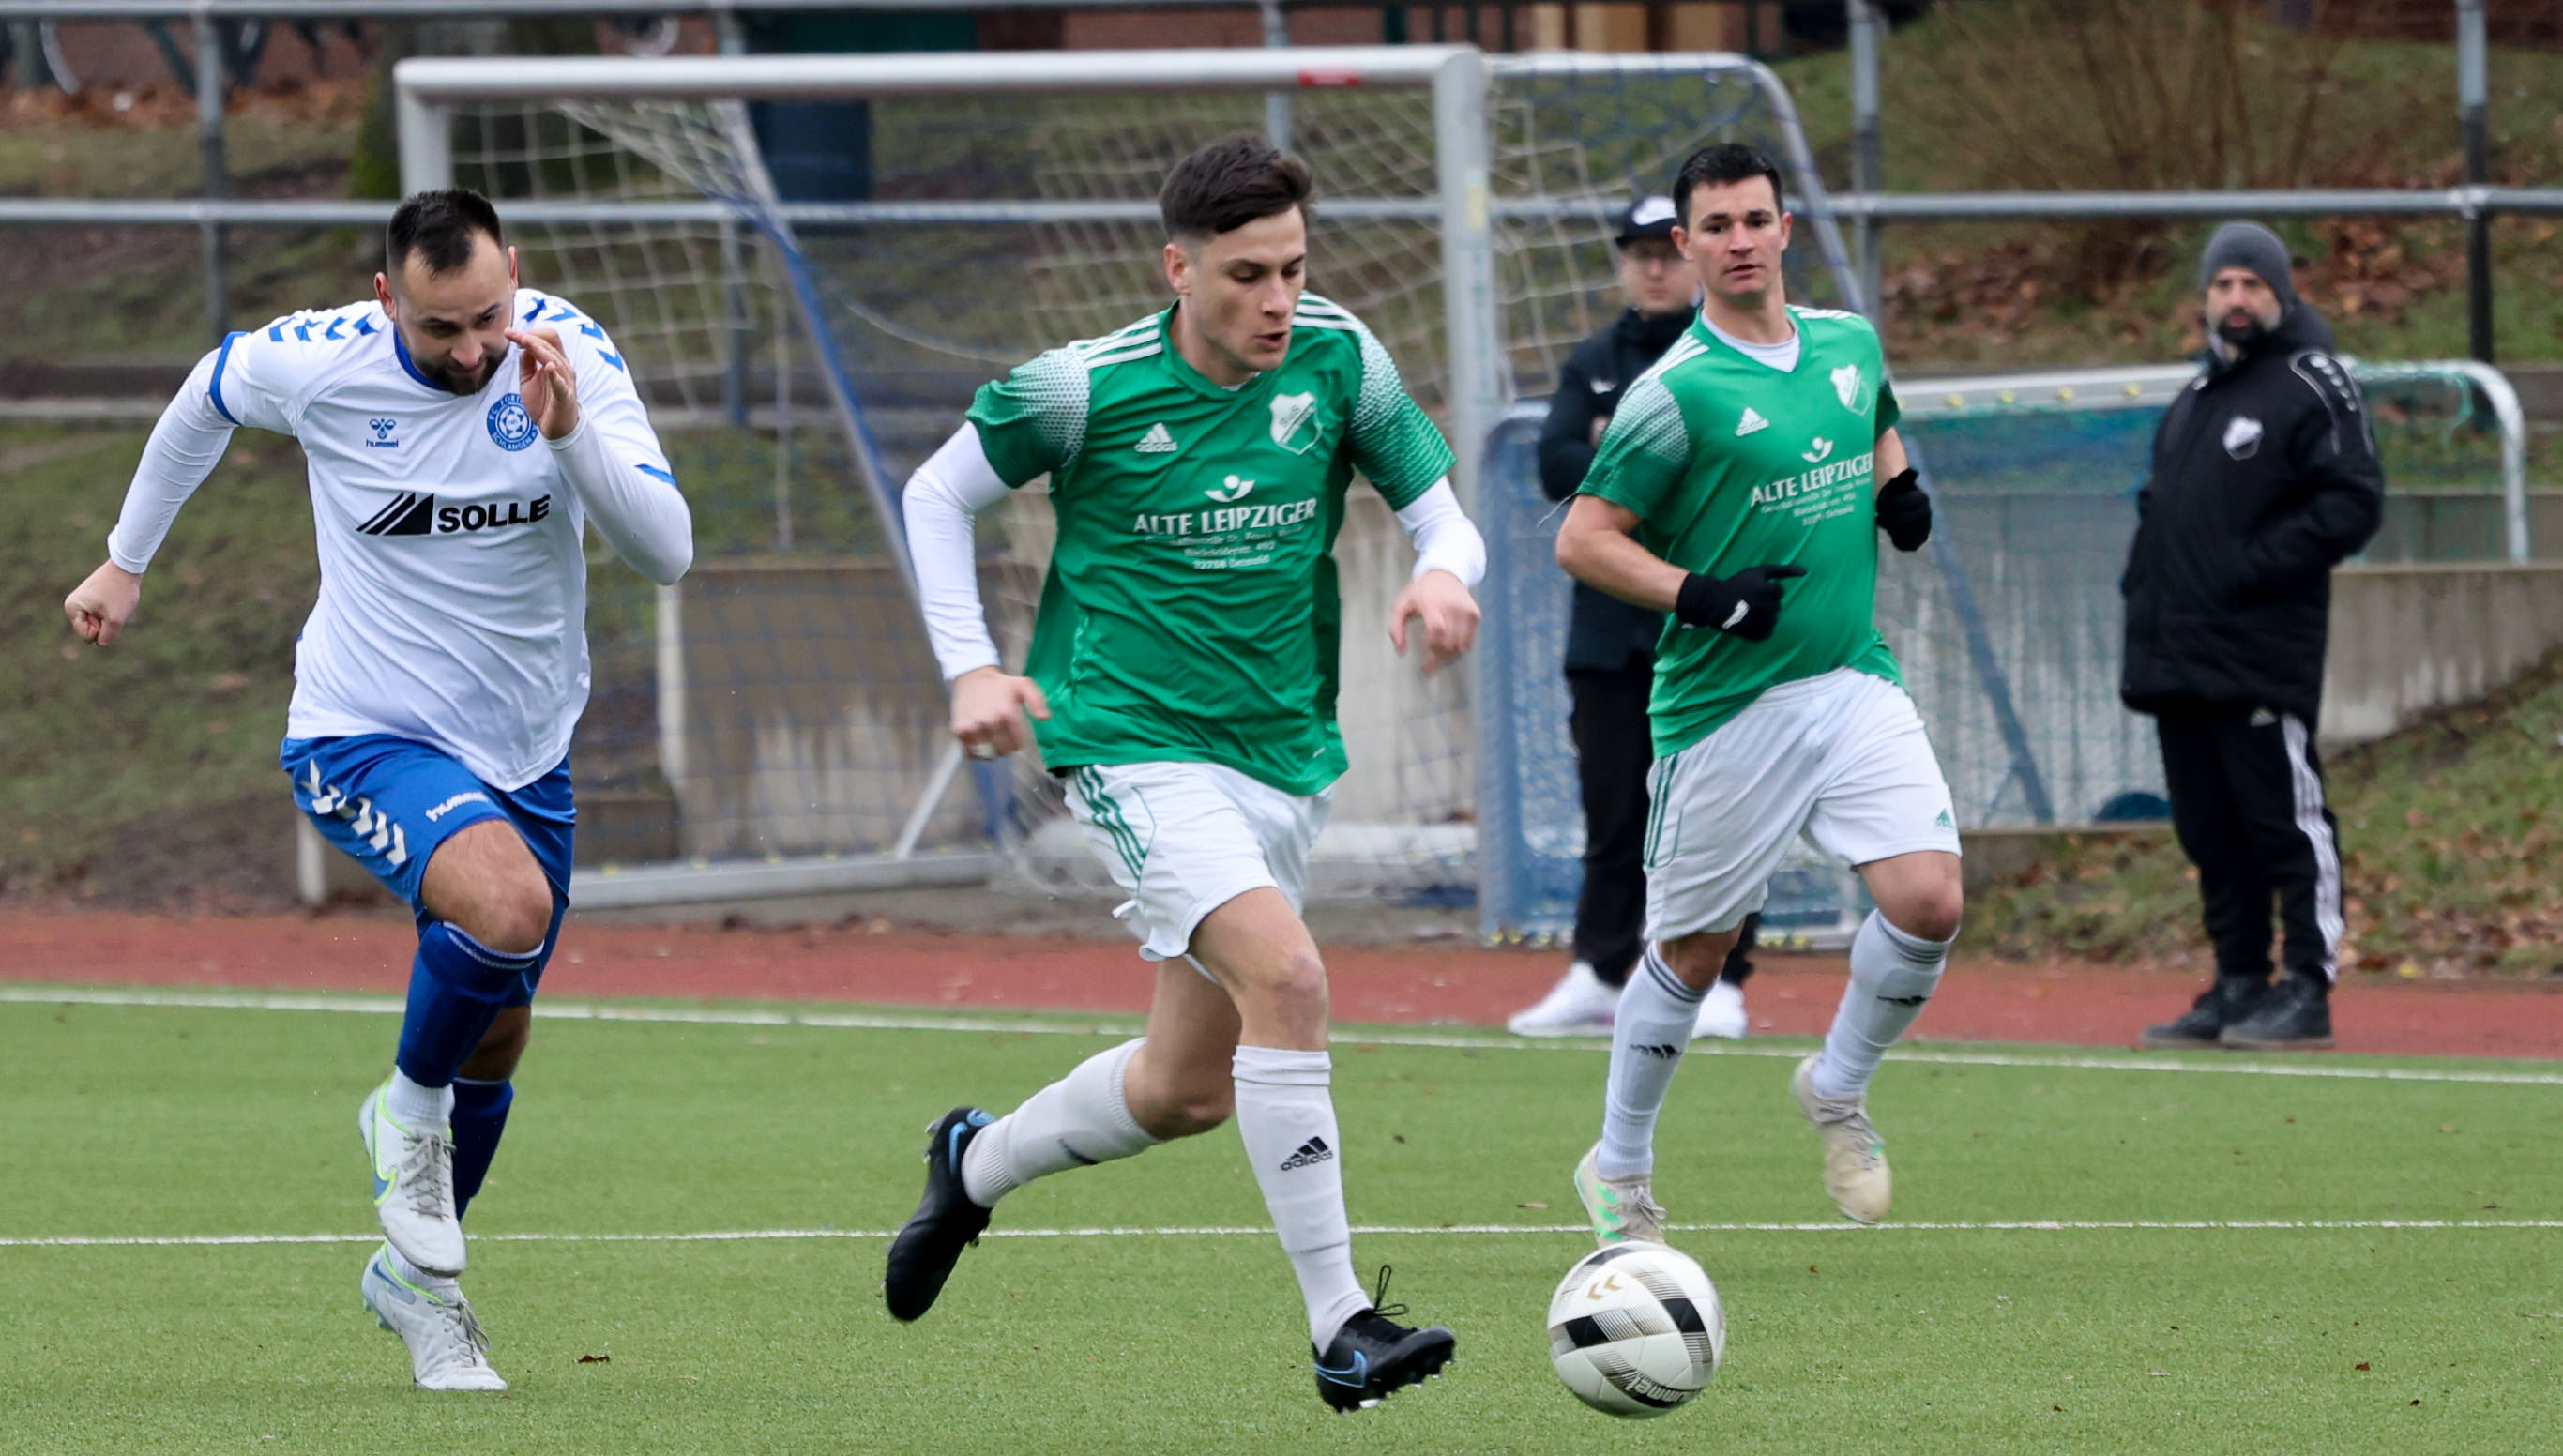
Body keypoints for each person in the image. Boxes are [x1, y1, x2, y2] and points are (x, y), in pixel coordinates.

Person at [884, 134, 1485, 1413]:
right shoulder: (1080, 388)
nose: (1279, 301)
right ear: (1178, 269)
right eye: (1247, 275)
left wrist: (1443, 575)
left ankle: (971, 1165)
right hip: (1129, 741)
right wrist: (971, 668)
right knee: (1291, 977)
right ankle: (1342, 1325)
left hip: (1280, 753)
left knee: (1185, 1090)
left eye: (1294, 269)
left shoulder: (1342, 360)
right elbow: (936, 495)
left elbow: (1442, 515)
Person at [62, 190, 692, 1390]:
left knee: (498, 1029)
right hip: (364, 733)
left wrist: (568, 434)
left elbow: (666, 553)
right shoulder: (320, 363)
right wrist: (124, 560)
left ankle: (420, 1288)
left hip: (525, 752)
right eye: (439, 327)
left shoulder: (568, 351)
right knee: (508, 909)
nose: (470, 351)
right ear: (385, 298)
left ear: (517, 274)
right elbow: (204, 396)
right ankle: (403, 1111)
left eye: (487, 318)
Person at [1552, 143, 1960, 1240]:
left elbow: (1870, 417)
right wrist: (1701, 595)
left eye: (1753, 220)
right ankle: (1617, 1163)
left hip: (1850, 678)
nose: (1738, 241)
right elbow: (1582, 540)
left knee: (1928, 901)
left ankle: (1835, 1087)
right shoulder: (1670, 394)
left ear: (1785, 229)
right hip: (1723, 711)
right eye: (1715, 226)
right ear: (1683, 246)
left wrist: (1897, 485)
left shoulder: (1847, 342)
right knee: (1693, 950)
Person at [1508, 192, 1759, 1041]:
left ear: (1693, 255)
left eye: (1666, 251)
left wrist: (1620, 442)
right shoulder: (1594, 359)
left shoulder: (1726, 351)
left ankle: (1721, 976)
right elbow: (1555, 465)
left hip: (1709, 621)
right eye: (1637, 253)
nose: (1653, 267)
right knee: (1613, 810)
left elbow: (1725, 464)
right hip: (1608, 630)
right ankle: (1599, 967)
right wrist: (1660, 452)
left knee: (1716, 807)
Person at [2127, 222, 2382, 1053]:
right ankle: (2238, 980)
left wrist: (2250, 569)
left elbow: (2352, 503)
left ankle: (2308, 986)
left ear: (2281, 293)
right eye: (2223, 285)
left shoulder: (2313, 382)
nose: (2236, 299)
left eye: (2252, 284)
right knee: (2211, 832)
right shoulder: (2196, 398)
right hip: (2181, 660)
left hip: (2261, 654)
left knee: (2285, 824)